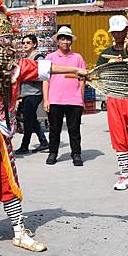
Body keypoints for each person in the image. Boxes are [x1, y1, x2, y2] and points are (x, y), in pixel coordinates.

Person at [0, 0, 87, 253]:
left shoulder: (16, 67)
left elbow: (46, 67)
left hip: (0, 135)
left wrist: (76, 69)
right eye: (0, 40)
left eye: (8, 40)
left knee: (8, 180)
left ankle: (18, 230)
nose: (5, 45)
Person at [95, 15, 128, 190]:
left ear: (127, 30)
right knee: (118, 136)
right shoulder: (106, 53)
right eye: (115, 32)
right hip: (114, 98)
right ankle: (125, 174)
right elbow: (98, 75)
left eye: (121, 32)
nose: (118, 35)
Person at [43, 26, 86, 166]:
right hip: (55, 99)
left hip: (74, 100)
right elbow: (45, 80)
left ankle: (76, 154)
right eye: (62, 38)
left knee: (74, 130)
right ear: (57, 41)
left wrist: (81, 98)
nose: (65, 42)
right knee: (54, 129)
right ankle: (53, 153)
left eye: (68, 39)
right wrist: (46, 99)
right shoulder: (50, 58)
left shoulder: (77, 57)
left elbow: (82, 80)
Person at [15, 35, 49, 155]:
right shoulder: (25, 58)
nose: (25, 45)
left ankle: (25, 145)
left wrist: (29, 75)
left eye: (28, 42)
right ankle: (44, 142)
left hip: (35, 92)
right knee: (32, 119)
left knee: (28, 120)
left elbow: (44, 75)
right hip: (26, 92)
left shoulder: (38, 57)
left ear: (34, 44)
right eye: (23, 43)